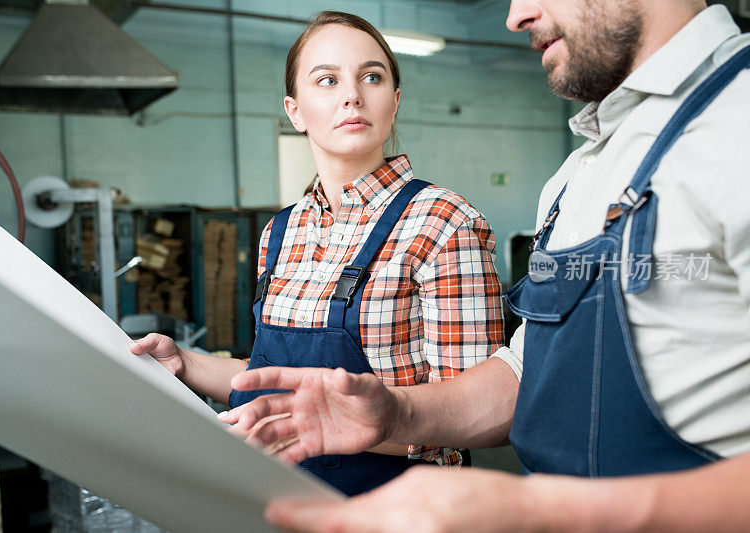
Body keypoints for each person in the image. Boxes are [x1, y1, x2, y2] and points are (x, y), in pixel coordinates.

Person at [222, 0, 750, 530]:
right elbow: (526, 373)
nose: (515, 15)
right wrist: (399, 413)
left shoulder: (737, 123)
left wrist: (542, 510)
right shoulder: (575, 178)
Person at [130, 11, 504, 497]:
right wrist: (185, 363)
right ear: (295, 111)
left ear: (394, 101)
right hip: (282, 500)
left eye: (371, 77)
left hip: (403, 509)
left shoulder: (441, 222)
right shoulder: (281, 231)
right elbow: (270, 383)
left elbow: (481, 414)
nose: (352, 95)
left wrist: (310, 425)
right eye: (326, 80)